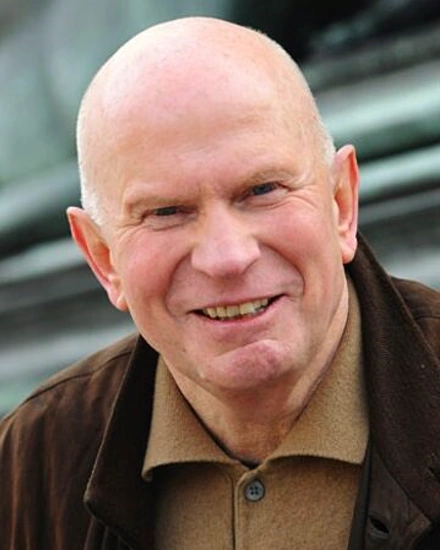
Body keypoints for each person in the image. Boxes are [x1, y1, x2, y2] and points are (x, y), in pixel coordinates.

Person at [1, 16, 439, 550]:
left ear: (341, 204)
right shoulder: (32, 463)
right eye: (166, 212)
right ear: (103, 257)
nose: (227, 257)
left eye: (262, 190)